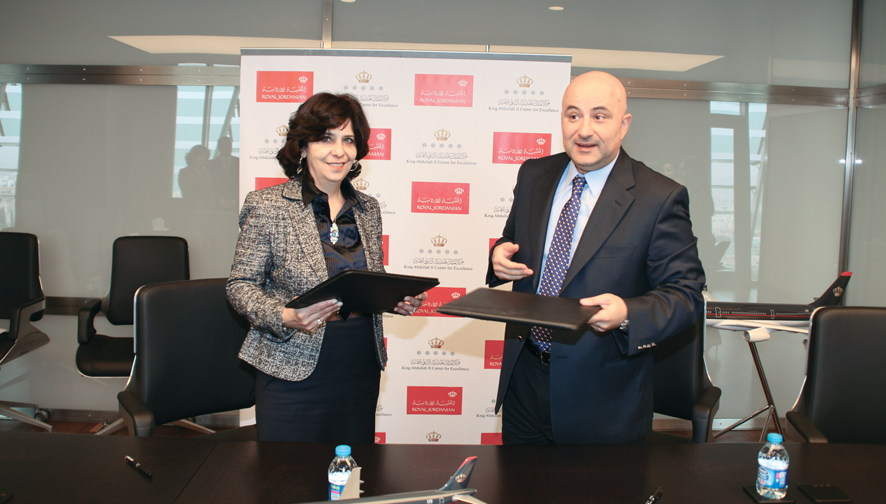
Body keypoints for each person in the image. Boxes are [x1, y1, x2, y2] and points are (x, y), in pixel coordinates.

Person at [487, 71, 705, 445]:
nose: (584, 130)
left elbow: (686, 295)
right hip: (524, 380)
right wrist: (499, 254)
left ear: (624, 125)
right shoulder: (534, 174)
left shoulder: (659, 197)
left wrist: (628, 313)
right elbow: (513, 239)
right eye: (573, 115)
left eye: (599, 116)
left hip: (603, 398)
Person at [227, 92, 427, 443]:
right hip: (290, 364)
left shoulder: (367, 208)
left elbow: (367, 281)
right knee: (287, 472)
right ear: (303, 146)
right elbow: (240, 285)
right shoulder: (268, 205)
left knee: (350, 468)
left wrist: (395, 298)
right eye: (326, 138)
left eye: (348, 140)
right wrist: (284, 316)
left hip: (359, 363)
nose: (339, 151)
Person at [207, 136, 240, 211]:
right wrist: (221, 200)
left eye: (229, 145)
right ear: (219, 147)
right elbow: (210, 185)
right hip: (217, 205)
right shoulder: (211, 164)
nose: (227, 148)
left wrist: (234, 200)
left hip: (237, 204)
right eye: (224, 145)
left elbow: (242, 183)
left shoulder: (239, 163)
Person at [178, 144, 214, 211]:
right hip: (191, 209)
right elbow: (186, 193)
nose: (204, 158)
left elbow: (211, 192)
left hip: (208, 210)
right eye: (201, 155)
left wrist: (209, 207)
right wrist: (200, 208)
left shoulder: (207, 172)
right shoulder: (184, 172)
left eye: (205, 156)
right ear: (193, 156)